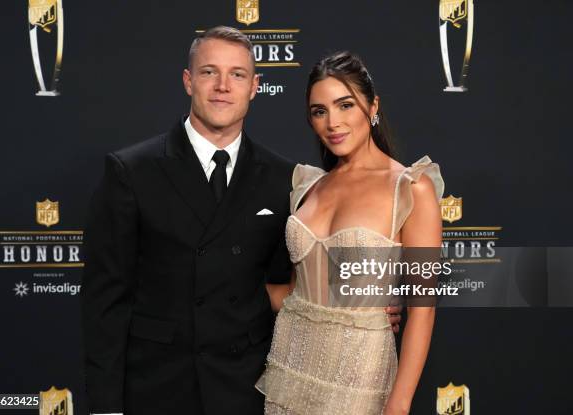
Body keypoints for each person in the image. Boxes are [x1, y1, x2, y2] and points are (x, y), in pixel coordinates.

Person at [81, 28, 401, 415]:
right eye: (208, 72)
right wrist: (105, 408)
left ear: (254, 87)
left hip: (251, 388)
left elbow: (296, 282)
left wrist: (364, 301)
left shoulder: (287, 179)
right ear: (188, 81)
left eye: (236, 75)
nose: (222, 86)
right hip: (159, 388)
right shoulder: (132, 171)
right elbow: (105, 305)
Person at [256, 51, 444, 415]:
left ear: (372, 108)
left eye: (345, 105)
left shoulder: (410, 188)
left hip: (361, 375)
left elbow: (423, 307)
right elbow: (296, 291)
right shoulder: (306, 186)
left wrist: (399, 404)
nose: (333, 123)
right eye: (319, 111)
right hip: (290, 364)